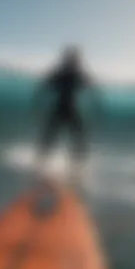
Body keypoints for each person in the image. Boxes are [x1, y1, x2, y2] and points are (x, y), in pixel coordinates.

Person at [32, 46, 99, 180]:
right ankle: (41, 163)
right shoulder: (63, 73)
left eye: (74, 58)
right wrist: (36, 102)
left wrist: (97, 104)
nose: (73, 60)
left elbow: (92, 89)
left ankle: (76, 166)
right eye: (72, 58)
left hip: (69, 109)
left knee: (78, 139)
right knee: (50, 137)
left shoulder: (75, 73)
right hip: (62, 109)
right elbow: (44, 86)